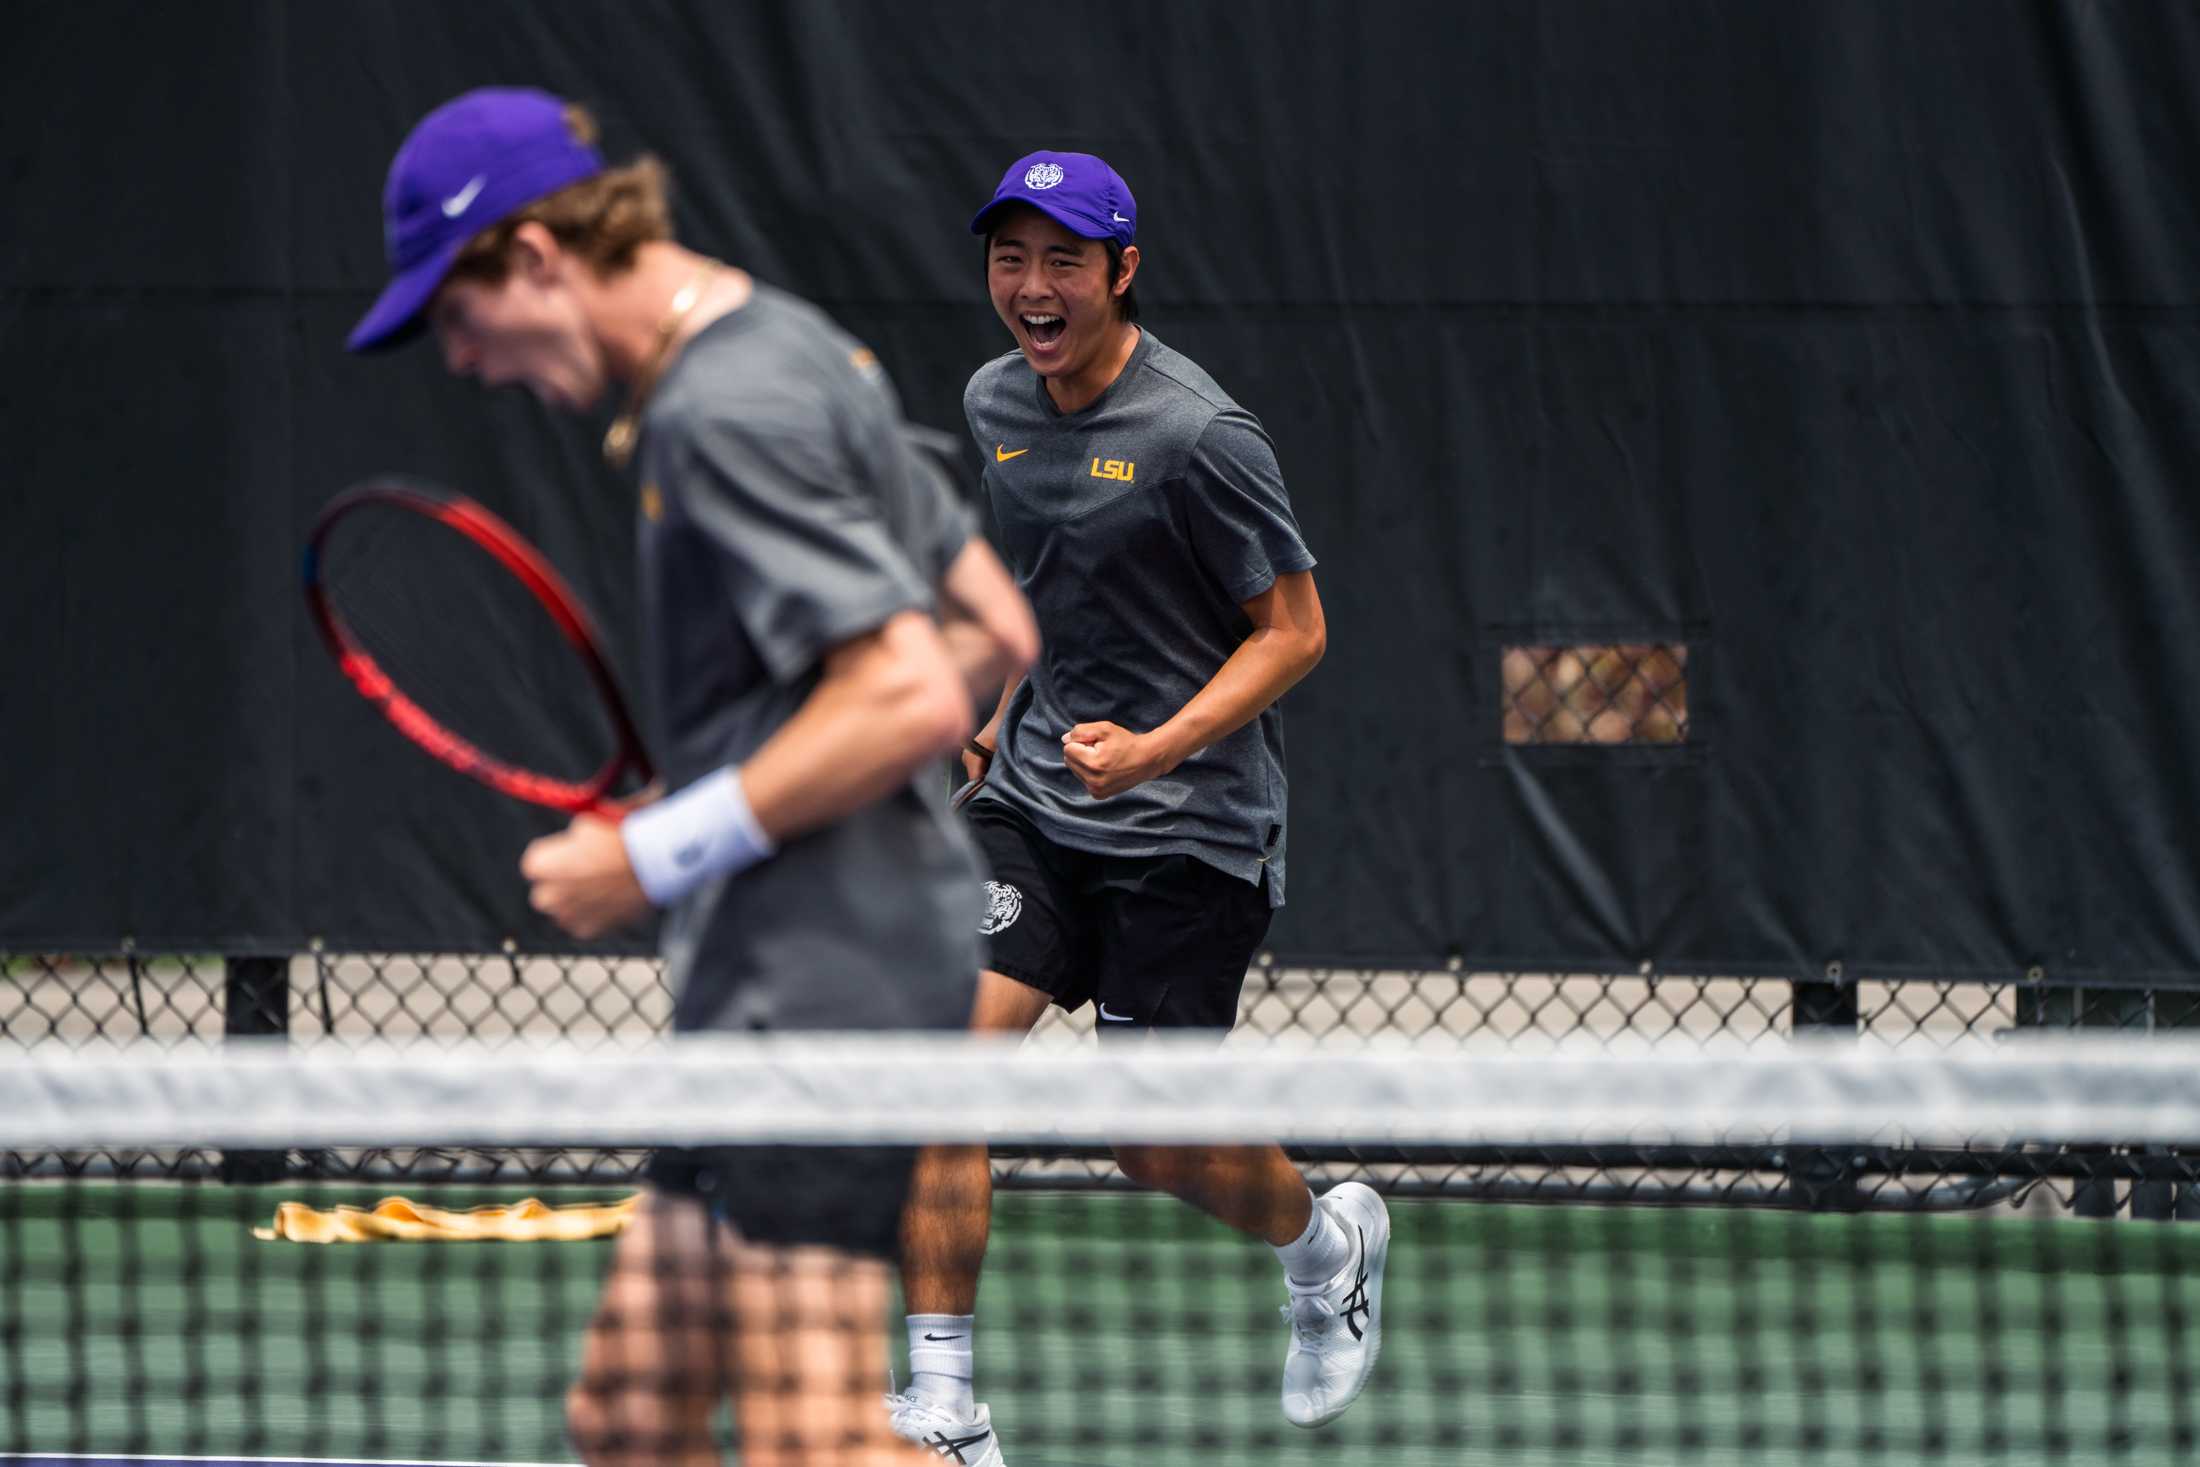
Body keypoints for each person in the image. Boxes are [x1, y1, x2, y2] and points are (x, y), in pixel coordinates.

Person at [348, 88, 1036, 1467]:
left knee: (810, 1442)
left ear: (537, 256)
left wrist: (662, 850)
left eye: (460, 319)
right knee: (630, 1415)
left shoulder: (722, 413)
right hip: (776, 965)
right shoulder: (791, 346)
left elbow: (907, 688)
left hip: (823, 981)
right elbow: (991, 632)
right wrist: (776, 773)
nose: (467, 362)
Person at [887, 150, 1386, 1461]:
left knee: (1153, 1142)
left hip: (1190, 831)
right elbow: (1034, 585)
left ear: (1122, 272)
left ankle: (1327, 1246)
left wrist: (1160, 747)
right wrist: (995, 711)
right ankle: (945, 1413)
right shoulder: (997, 399)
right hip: (1044, 804)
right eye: (1011, 257)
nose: (1032, 287)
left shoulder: (1198, 439)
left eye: (1064, 260)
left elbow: (1296, 633)